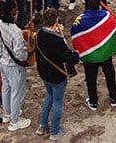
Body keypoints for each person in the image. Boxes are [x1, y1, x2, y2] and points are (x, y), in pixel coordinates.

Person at [35, 9, 80, 140]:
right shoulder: (57, 41)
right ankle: (55, 132)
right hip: (56, 76)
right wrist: (76, 53)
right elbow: (70, 58)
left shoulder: (39, 33)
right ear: (56, 20)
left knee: (49, 96)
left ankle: (42, 125)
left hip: (43, 72)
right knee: (58, 102)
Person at [70, 0, 116, 111]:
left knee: (91, 79)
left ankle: (93, 102)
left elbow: (74, 32)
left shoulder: (80, 20)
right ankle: (114, 97)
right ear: (99, 5)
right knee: (110, 75)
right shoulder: (107, 16)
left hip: (90, 56)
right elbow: (114, 29)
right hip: (105, 54)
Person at [0, 0, 31, 131]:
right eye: (15, 8)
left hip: (2, 61)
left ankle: (7, 113)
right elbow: (21, 55)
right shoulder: (16, 32)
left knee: (6, 88)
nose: (17, 10)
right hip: (14, 66)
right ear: (12, 11)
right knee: (17, 92)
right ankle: (15, 121)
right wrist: (31, 51)